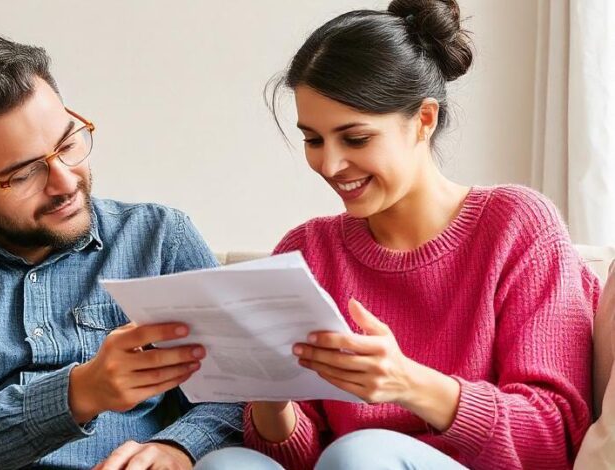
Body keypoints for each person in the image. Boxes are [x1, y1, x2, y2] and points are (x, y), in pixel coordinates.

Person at [197, 0, 598, 468]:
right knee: (225, 464)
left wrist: (407, 382)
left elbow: (552, 435)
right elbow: (297, 458)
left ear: (423, 119)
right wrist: (269, 393)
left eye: (356, 138)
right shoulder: (307, 250)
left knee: (360, 453)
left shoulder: (517, 226)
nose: (329, 165)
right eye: (313, 139)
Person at [0, 32, 241, 469]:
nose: (66, 182)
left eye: (68, 145)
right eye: (25, 173)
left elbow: (236, 388)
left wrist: (179, 446)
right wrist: (81, 392)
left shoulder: (160, 239)